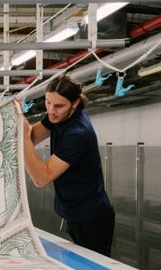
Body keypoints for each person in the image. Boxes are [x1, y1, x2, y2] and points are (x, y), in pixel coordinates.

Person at [21, 74, 115, 257]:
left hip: (92, 219)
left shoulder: (78, 134)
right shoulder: (59, 116)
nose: (51, 111)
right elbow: (33, 137)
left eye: (58, 106)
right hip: (74, 213)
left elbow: (41, 178)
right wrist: (15, 122)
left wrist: (22, 135)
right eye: (48, 102)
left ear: (74, 103)